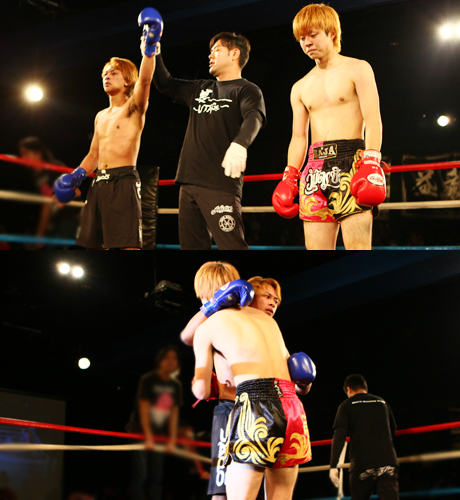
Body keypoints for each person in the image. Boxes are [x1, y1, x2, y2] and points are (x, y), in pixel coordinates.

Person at [191, 269, 313, 500]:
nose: (272, 302)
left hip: (255, 405)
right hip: (293, 408)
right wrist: (305, 382)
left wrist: (206, 383)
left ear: (205, 296)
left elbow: (201, 391)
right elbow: (297, 382)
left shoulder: (207, 327)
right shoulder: (270, 322)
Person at [272, 3, 386, 250]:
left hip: (352, 163)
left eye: (312, 35)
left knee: (358, 250)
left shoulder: (358, 69)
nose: (307, 43)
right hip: (314, 169)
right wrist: (289, 176)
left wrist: (371, 161)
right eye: (302, 38)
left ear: (332, 33)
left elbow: (373, 119)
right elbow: (299, 137)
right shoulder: (299, 87)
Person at [53, 8, 162, 249]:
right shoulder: (100, 116)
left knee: (126, 246)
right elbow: (93, 155)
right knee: (88, 246)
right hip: (97, 184)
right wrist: (76, 176)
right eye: (104, 73)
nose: (107, 76)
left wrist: (150, 47)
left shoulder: (134, 108)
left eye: (113, 73)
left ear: (127, 80)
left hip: (123, 182)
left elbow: (145, 80)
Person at [153, 32, 266, 250]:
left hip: (219, 183)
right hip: (187, 182)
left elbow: (254, 117)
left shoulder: (247, 90)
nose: (210, 55)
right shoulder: (200, 88)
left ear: (234, 54)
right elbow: (164, 83)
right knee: (191, 249)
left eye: (216, 50)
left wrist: (241, 143)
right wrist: (154, 50)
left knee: (232, 248)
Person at [181, 264, 282, 499]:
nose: (272, 303)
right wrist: (211, 306)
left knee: (239, 487)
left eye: (275, 299)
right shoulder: (216, 320)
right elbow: (188, 336)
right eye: (267, 297)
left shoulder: (247, 320)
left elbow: (188, 337)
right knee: (227, 486)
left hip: (245, 407)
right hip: (244, 408)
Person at [329, 374, 399, 500]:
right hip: (387, 461)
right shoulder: (382, 402)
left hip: (362, 463)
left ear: (349, 389)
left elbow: (339, 436)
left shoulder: (346, 405)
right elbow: (392, 431)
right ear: (365, 388)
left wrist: (333, 465)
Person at [126, 344, 182, 500]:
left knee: (157, 475)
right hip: (138, 432)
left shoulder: (175, 385)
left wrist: (172, 439)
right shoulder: (149, 379)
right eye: (167, 357)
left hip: (159, 435)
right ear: (160, 360)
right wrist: (148, 437)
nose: (170, 361)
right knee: (141, 474)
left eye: (174, 358)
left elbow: (174, 414)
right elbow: (143, 409)